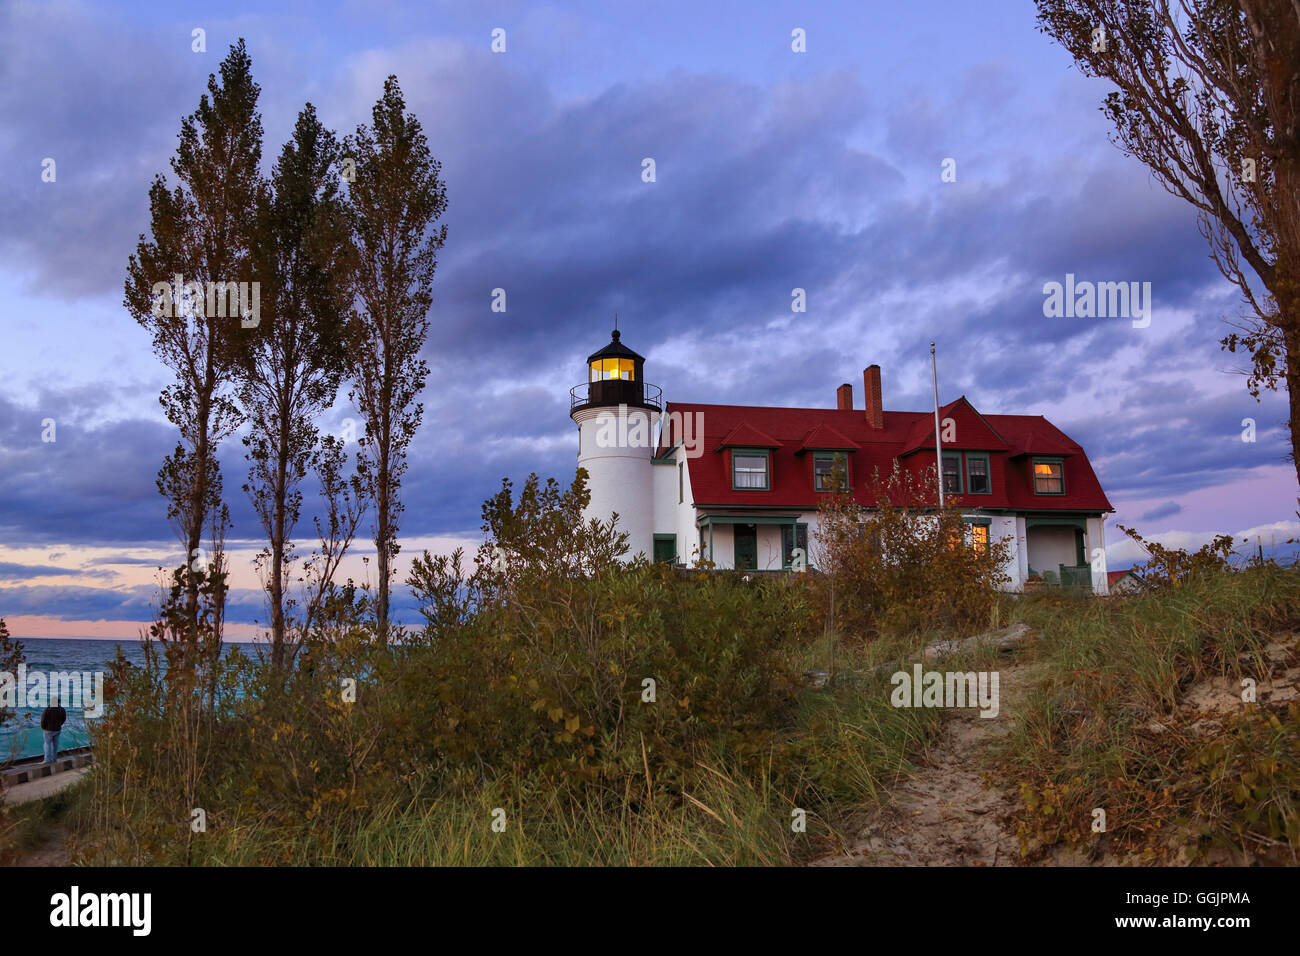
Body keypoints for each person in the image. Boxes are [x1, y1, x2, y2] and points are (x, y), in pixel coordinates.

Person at [40, 698, 67, 764]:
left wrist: (43, 728)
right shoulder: (62, 709)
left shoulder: (47, 709)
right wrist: (59, 725)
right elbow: (64, 719)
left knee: (47, 744)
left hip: (48, 730)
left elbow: (43, 720)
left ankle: (46, 760)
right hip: (58, 729)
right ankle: (54, 759)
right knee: (55, 745)